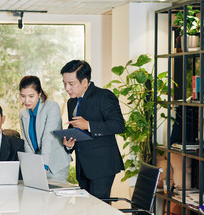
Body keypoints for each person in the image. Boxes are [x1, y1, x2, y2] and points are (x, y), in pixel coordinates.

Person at [60, 60, 125, 199]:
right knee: (85, 208)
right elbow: (75, 127)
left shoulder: (104, 96)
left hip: (102, 167)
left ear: (84, 82)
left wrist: (89, 125)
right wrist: (69, 144)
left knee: (98, 209)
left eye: (71, 84)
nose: (67, 88)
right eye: (64, 83)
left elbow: (118, 125)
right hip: (82, 167)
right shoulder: (72, 101)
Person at [19, 76, 71, 181]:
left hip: (55, 165)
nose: (26, 100)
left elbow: (48, 137)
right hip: (38, 165)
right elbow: (26, 142)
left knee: (55, 196)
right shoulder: (23, 113)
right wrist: (34, 165)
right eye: (23, 96)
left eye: (31, 96)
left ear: (39, 94)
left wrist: (44, 165)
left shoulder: (51, 107)